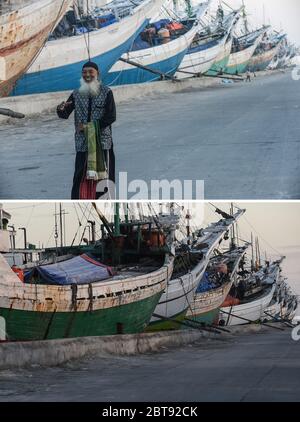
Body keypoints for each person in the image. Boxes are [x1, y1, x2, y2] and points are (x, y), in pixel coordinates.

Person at [57, 61, 116, 199]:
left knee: (103, 177)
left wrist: (89, 127)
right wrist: (61, 108)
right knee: (80, 176)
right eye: (84, 72)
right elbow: (64, 114)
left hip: (102, 143)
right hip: (83, 143)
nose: (87, 75)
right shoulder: (76, 94)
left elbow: (111, 116)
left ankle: (105, 202)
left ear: (97, 74)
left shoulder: (106, 92)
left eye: (91, 72)